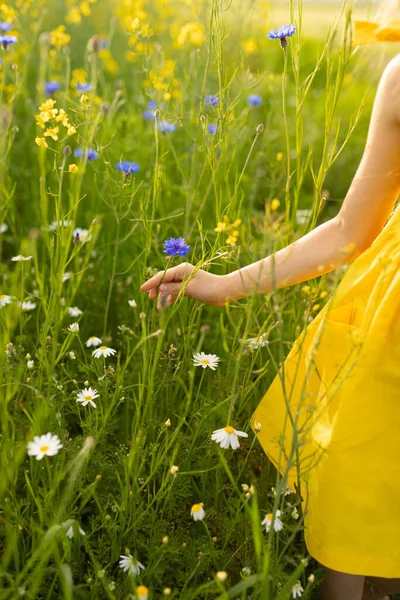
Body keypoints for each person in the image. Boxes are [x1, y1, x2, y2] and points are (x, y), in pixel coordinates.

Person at [140, 24, 400, 600]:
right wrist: (227, 283)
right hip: (389, 333)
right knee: (361, 520)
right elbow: (349, 232)